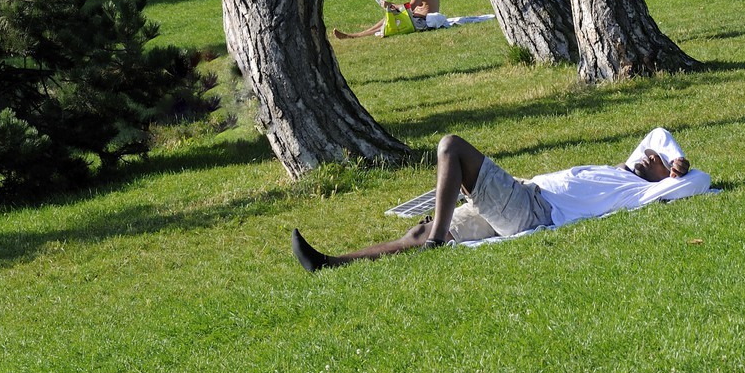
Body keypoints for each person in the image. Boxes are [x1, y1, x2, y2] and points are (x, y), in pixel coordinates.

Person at [292, 126, 709, 271]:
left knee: (451, 146)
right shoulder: (624, 168)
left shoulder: (643, 191)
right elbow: (657, 135)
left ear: (664, 177)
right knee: (420, 229)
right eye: (649, 156)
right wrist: (668, 154)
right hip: (522, 200)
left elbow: (700, 181)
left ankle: (437, 238)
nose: (650, 156)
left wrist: (681, 166)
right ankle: (330, 264)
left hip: (531, 209)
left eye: (657, 162)